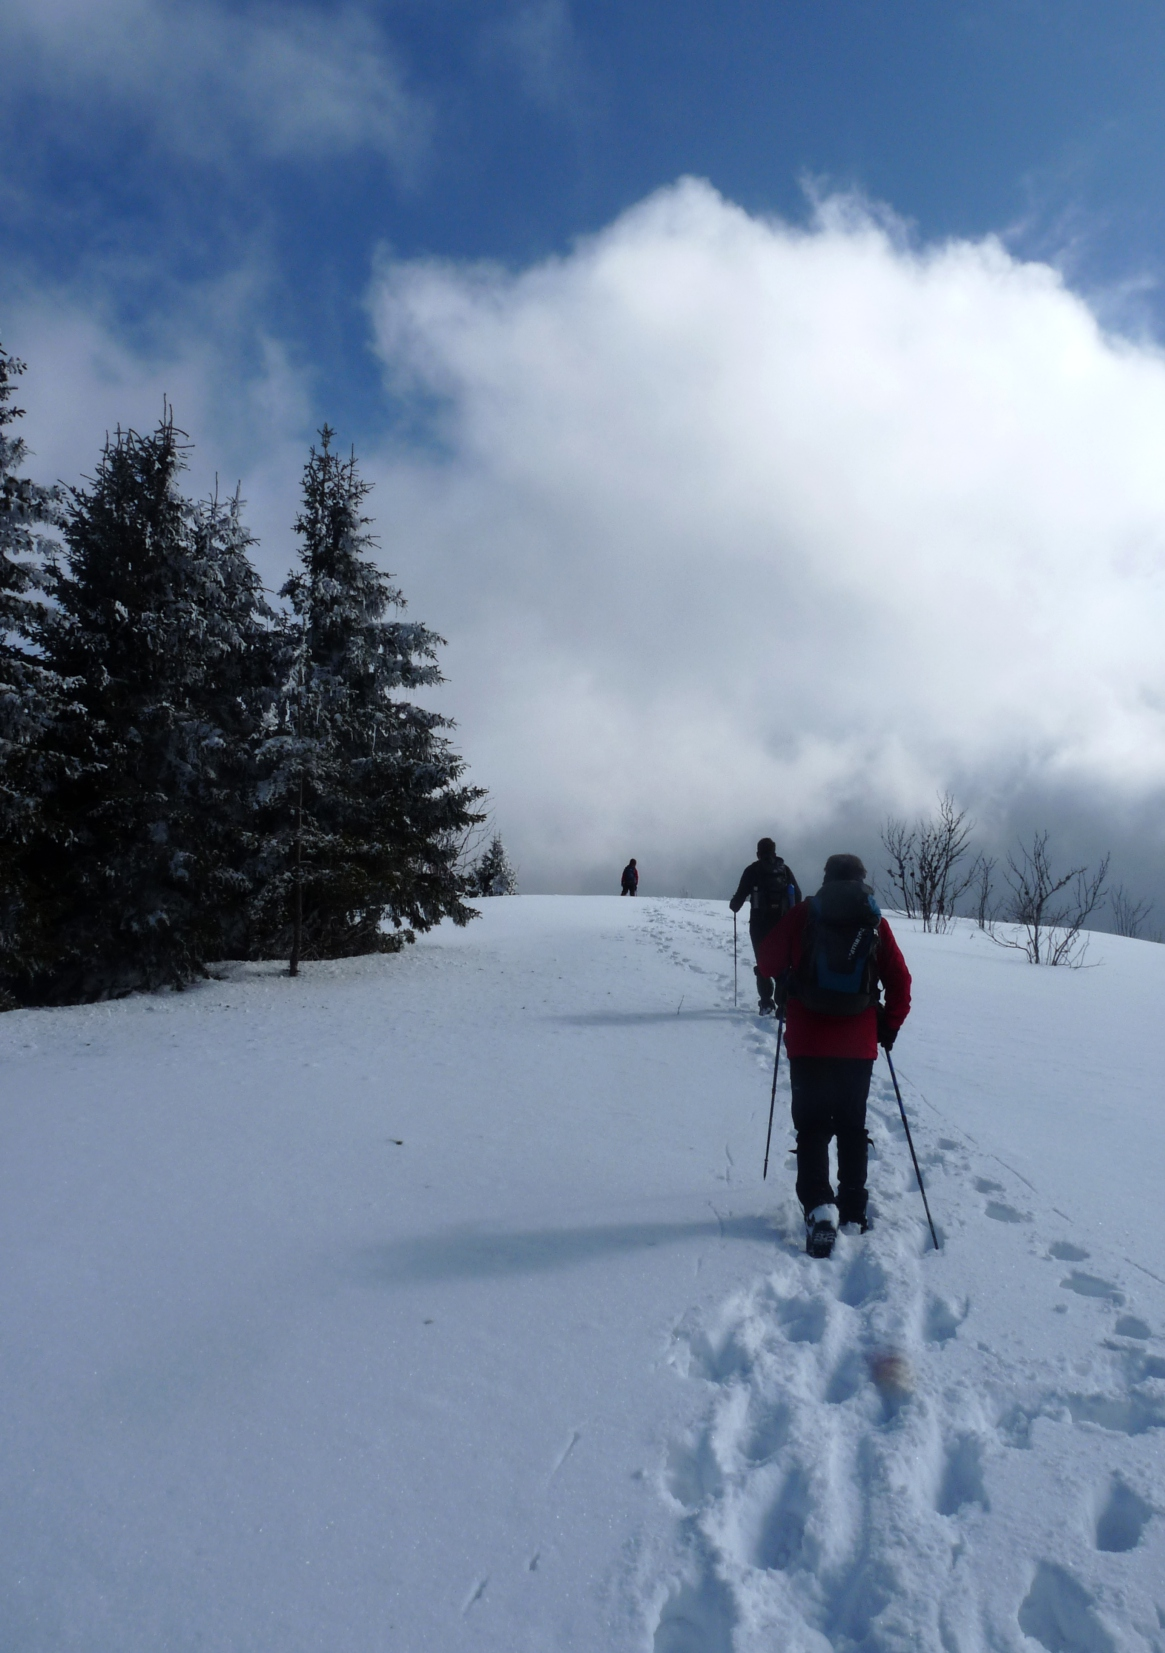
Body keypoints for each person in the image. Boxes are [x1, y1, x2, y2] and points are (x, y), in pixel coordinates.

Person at [757, 853, 911, 1256]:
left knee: (811, 1127)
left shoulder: (806, 913)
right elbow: (901, 982)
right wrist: (888, 1027)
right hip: (857, 1045)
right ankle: (854, 1211)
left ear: (826, 879)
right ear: (862, 881)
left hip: (807, 1042)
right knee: (851, 1125)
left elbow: (766, 961)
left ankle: (820, 1207)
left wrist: (791, 973)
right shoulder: (874, 922)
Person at [728, 839, 801, 1013]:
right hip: (782, 924)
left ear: (758, 853)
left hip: (759, 925)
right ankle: (783, 1004)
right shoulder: (785, 870)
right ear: (775, 852)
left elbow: (738, 899)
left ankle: (766, 1001)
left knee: (763, 961)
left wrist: (734, 905)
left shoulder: (752, 870)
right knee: (783, 963)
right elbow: (797, 895)